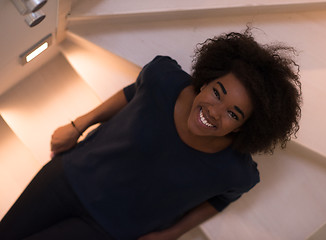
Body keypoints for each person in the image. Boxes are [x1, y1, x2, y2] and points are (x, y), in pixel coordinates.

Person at [0, 28, 302, 240]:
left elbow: (223, 199)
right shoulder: (164, 79)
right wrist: (79, 124)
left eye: (233, 113)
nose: (214, 110)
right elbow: (135, 92)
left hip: (108, 230)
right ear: (207, 81)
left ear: (243, 127)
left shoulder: (236, 171)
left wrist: (172, 233)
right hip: (69, 178)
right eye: (217, 92)